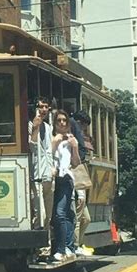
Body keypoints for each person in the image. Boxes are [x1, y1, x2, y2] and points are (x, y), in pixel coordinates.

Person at [50, 110, 80, 263]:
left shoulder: (71, 140)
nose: (62, 123)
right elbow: (48, 155)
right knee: (62, 214)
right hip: (52, 178)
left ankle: (62, 249)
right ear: (54, 123)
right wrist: (55, 142)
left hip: (65, 179)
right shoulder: (52, 137)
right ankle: (68, 247)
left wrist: (75, 147)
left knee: (61, 213)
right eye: (59, 120)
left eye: (65, 120)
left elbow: (75, 163)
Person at [28, 97, 54, 234]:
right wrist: (36, 128)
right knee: (41, 214)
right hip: (36, 175)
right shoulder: (29, 125)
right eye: (41, 107)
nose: (44, 110)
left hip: (48, 175)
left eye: (46, 107)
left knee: (48, 214)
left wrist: (53, 168)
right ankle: (39, 247)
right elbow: (32, 147)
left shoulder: (48, 127)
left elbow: (49, 150)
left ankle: (46, 249)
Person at [71, 110, 93, 256]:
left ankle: (78, 243)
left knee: (86, 218)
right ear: (81, 123)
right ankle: (74, 246)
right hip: (76, 172)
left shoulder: (74, 127)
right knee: (78, 212)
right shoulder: (73, 127)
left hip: (78, 171)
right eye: (84, 127)